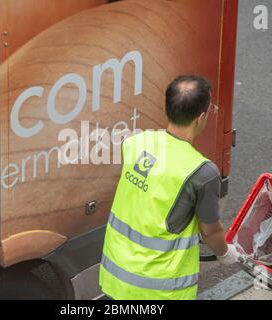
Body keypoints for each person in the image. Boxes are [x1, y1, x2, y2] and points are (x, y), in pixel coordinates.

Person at [99, 75, 241, 300]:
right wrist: (226, 254)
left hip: (116, 276)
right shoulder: (202, 172)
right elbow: (211, 231)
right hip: (159, 290)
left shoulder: (136, 143)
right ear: (201, 118)